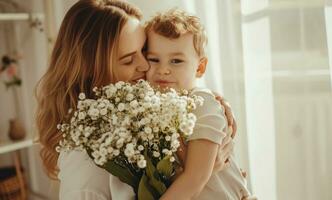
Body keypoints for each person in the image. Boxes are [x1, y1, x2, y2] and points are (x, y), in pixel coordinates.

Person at [35, 1, 237, 199]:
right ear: (92, 70)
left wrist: (211, 106)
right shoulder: (87, 169)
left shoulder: (143, 116)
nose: (146, 66)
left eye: (143, 51)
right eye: (129, 59)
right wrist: (201, 171)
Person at [145, 9, 254, 200]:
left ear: (200, 67)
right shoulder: (151, 108)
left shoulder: (202, 104)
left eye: (176, 61)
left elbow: (195, 177)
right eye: (154, 59)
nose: (163, 70)